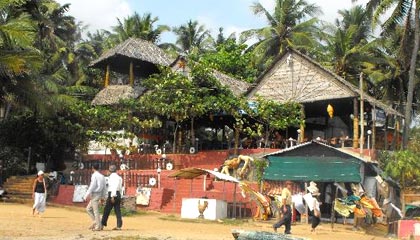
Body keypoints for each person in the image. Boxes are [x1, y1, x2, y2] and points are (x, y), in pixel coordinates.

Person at [83, 163, 107, 231]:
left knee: (95, 211)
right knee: (88, 209)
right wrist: (103, 197)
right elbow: (104, 187)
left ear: (93, 168)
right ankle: (96, 222)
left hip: (95, 194)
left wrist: (85, 196)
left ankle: (98, 226)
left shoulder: (94, 175)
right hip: (99, 194)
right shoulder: (102, 176)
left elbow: (92, 186)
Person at [101, 164, 123, 230]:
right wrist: (120, 196)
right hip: (118, 193)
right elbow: (120, 188)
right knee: (117, 210)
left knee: (106, 210)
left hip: (113, 194)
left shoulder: (112, 177)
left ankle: (102, 224)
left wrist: (113, 196)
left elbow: (114, 186)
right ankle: (119, 225)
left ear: (110, 170)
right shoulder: (119, 177)